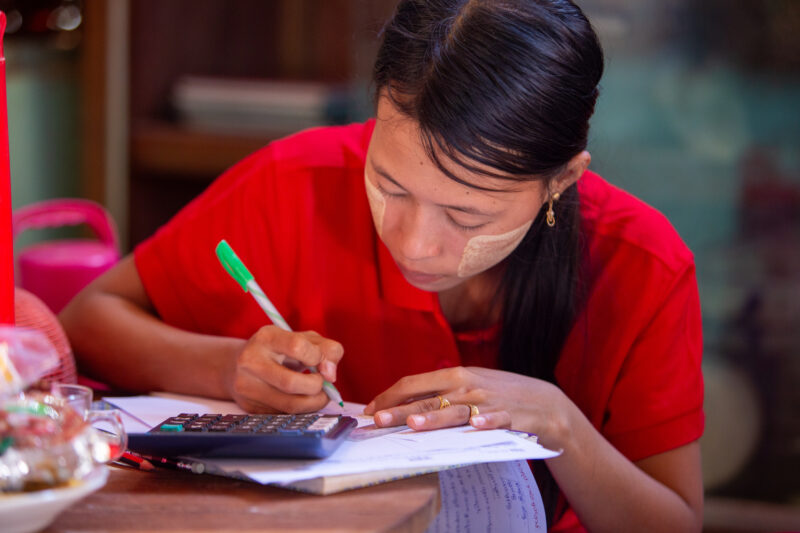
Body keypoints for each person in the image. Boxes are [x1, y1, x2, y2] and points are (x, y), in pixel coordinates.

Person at [60, 0, 704, 530]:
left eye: (467, 217)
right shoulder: (296, 182)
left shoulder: (640, 262)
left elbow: (675, 521)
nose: (415, 244)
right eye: (390, 187)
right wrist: (228, 370)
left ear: (561, 181)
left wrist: (561, 423)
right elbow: (87, 319)